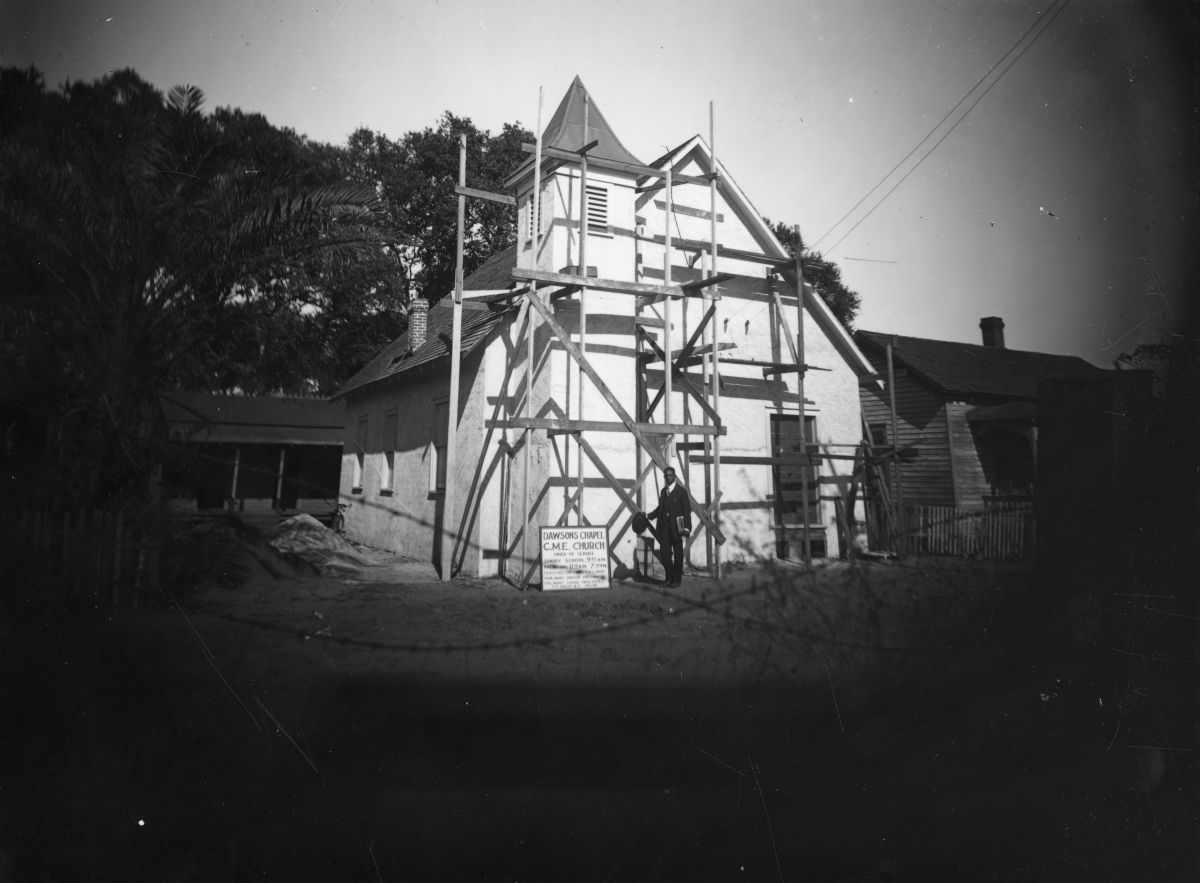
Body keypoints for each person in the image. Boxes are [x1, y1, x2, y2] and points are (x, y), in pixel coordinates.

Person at [643, 467, 691, 588]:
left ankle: (676, 580)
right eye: (666, 476)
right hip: (664, 526)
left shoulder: (681, 491)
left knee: (678, 555)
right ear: (664, 477)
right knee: (664, 554)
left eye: (670, 475)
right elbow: (660, 508)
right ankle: (669, 579)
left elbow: (686, 511)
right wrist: (649, 516)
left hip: (678, 526)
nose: (668, 477)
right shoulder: (663, 491)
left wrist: (687, 528)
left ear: (674, 477)